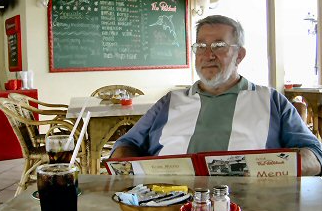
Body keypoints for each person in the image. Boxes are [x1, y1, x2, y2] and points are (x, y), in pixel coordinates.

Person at [110, 15, 322, 176]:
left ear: (239, 55)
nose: (208, 55)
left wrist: (271, 169)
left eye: (219, 46)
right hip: (167, 204)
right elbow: (125, 146)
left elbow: (314, 155)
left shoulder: (271, 100)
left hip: (253, 207)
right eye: (201, 46)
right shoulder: (169, 102)